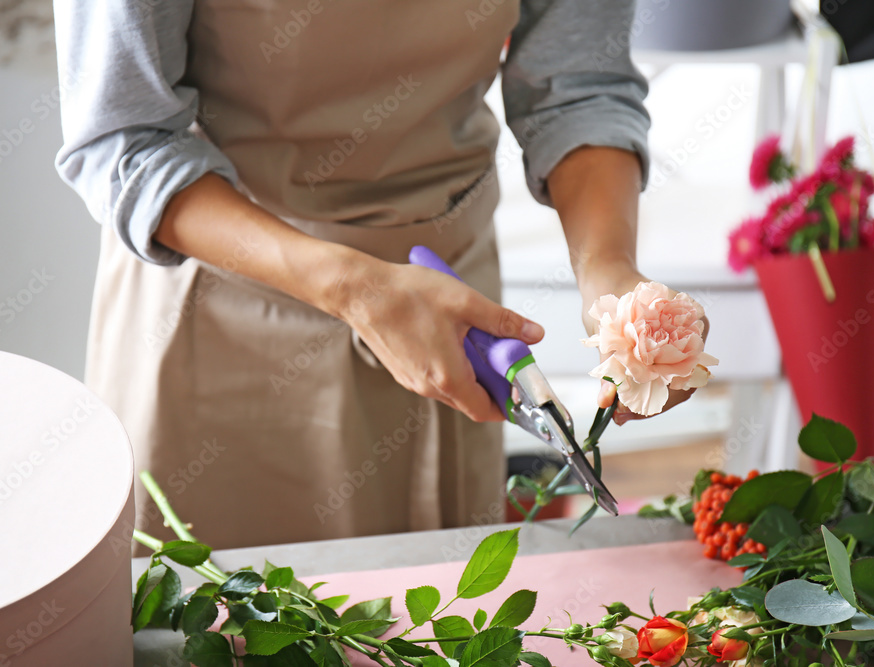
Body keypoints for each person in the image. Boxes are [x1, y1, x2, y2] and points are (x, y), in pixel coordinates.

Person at [54, 0, 695, 551]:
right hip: (223, 315)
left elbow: (579, 85)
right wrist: (353, 288)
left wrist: (608, 272)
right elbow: (126, 140)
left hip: (452, 308)